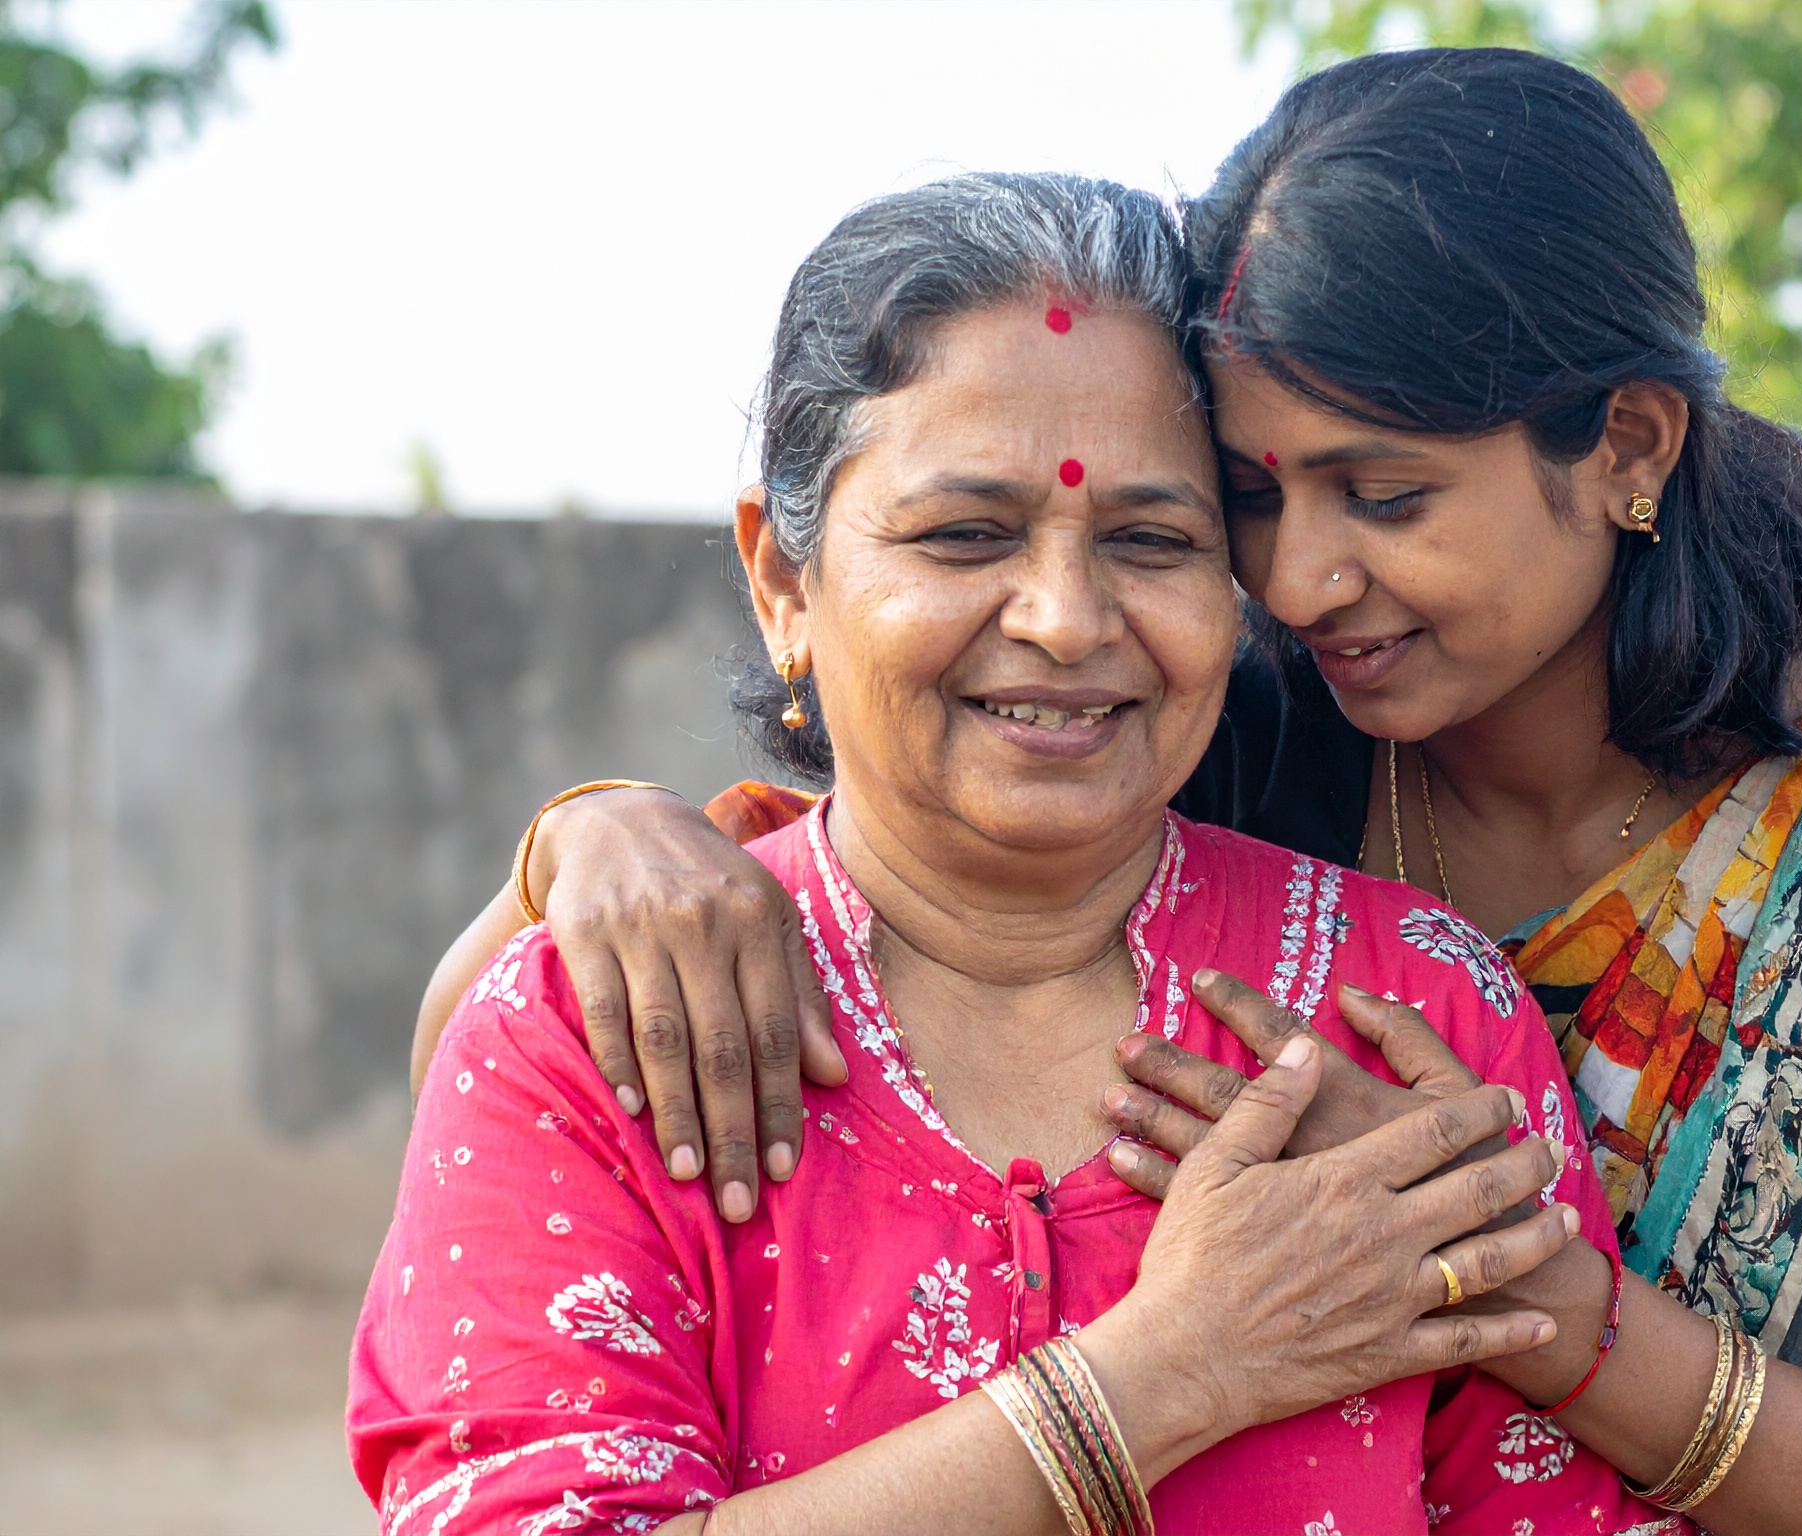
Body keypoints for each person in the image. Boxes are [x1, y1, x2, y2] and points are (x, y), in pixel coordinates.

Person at [416, 49, 1802, 1535]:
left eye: (1382, 496)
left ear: (1627, 445)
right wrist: (589, 838)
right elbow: (528, 1043)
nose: (1300, 578)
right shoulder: (1256, 723)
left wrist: (1537, 1301)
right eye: (1250, 497)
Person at [353, 171, 1680, 1536]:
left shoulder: (1408, 1013)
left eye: (1150, 540)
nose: (1064, 618)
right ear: (783, 582)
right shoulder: (596, 1030)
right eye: (966, 534)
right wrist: (1165, 1374)